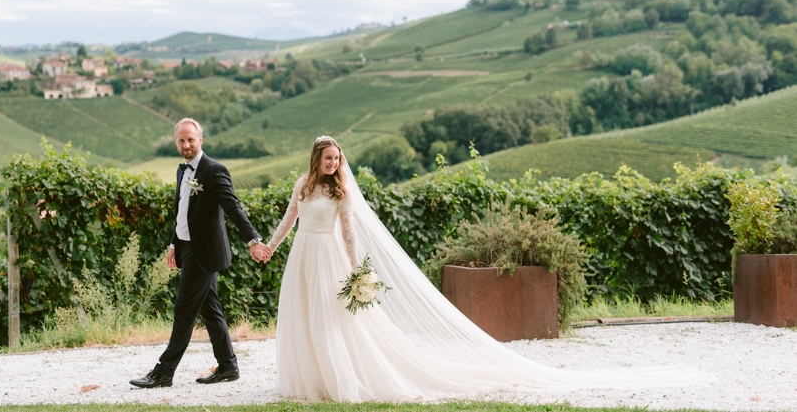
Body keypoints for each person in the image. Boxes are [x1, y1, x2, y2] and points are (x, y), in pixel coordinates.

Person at [261, 135, 716, 402]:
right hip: (303, 255)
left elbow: (349, 234)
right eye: (329, 159)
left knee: (331, 321)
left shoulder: (342, 194)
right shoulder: (303, 186)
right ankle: (309, 381)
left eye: (338, 159)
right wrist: (270, 247)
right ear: (316, 161)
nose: (335, 164)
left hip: (331, 259)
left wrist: (356, 269)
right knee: (303, 316)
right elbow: (287, 222)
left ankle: (341, 380)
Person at [130, 118, 271, 389]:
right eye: (181, 140)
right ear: (176, 142)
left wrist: (253, 239)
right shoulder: (181, 172)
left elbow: (233, 208)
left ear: (201, 140)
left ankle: (163, 372)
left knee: (184, 309)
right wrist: (175, 244)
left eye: (191, 140)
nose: (186, 145)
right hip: (188, 248)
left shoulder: (214, 170)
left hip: (205, 252)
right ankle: (228, 366)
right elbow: (182, 213)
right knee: (211, 310)